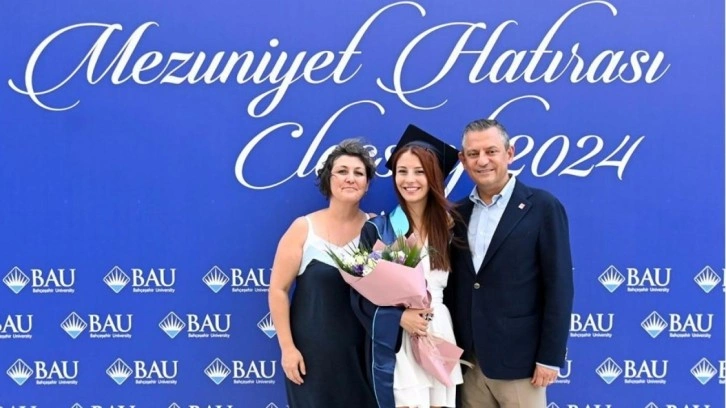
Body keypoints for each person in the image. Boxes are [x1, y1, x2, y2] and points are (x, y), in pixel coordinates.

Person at [444, 119, 574, 408]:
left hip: (521, 364)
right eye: (473, 154)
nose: (482, 161)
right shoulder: (458, 213)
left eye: (491, 151)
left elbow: (559, 286)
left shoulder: (543, 207)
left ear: (509, 153)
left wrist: (550, 358)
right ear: (463, 160)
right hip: (469, 363)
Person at [352, 124, 463, 408]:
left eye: (419, 171)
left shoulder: (451, 229)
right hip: (399, 339)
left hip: (440, 333)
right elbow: (359, 294)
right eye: (402, 171)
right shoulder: (379, 230)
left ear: (434, 176)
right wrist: (399, 318)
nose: (409, 179)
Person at [268, 139, 378, 408]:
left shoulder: (377, 228)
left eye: (358, 173)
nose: (350, 178)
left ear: (366, 184)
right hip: (311, 359)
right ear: (328, 178)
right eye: (342, 171)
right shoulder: (303, 228)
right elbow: (278, 290)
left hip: (365, 356)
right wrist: (287, 349)